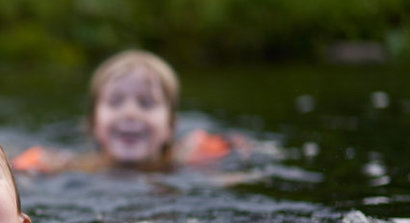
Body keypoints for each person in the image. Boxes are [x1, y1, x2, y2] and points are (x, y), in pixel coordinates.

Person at [12, 49, 242, 173]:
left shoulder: (184, 161)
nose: (130, 113)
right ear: (93, 124)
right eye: (115, 102)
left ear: (171, 126)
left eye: (146, 103)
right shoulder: (78, 167)